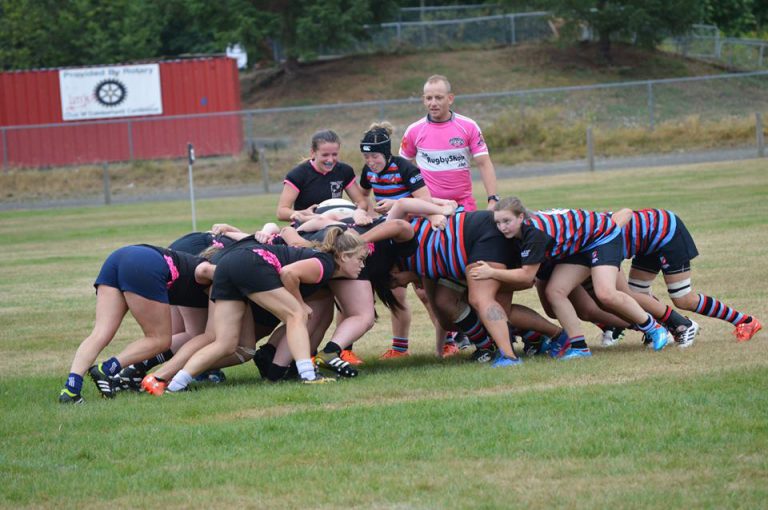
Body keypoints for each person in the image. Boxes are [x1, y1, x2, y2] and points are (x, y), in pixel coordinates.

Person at [148, 227, 369, 390]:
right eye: (360, 259)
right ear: (344, 256)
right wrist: (299, 303)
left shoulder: (322, 261)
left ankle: (173, 384)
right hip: (249, 261)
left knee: (226, 343)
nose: (362, 265)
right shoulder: (325, 263)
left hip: (225, 265)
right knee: (296, 315)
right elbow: (289, 274)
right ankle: (308, 376)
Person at [471, 197, 670, 360]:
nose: (502, 227)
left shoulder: (534, 234)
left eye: (507, 221)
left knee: (606, 293)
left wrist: (492, 272)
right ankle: (580, 347)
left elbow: (526, 276)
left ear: (521, 217)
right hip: (580, 246)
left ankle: (655, 328)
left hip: (602, 236)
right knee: (555, 292)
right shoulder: (522, 232)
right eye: (498, 223)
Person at [58, 244, 215, 404]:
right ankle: (106, 369)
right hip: (144, 264)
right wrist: (232, 275)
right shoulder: (205, 267)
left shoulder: (190, 274)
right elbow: (204, 270)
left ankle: (71, 390)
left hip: (118, 257)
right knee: (159, 340)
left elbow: (195, 334)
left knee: (100, 333)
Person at [358, 121, 462, 359]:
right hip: (388, 231)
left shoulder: (405, 168)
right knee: (394, 291)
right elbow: (363, 195)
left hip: (413, 231)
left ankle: (449, 342)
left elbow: (424, 202)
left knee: (426, 293)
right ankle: (399, 348)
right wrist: (364, 211)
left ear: (386, 153)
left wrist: (397, 205)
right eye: (366, 157)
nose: (370, 161)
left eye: (374, 156)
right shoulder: (368, 171)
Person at [614, 208, 761, 343]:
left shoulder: (601, 241)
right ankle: (669, 328)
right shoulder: (595, 235)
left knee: (683, 298)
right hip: (647, 240)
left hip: (667, 232)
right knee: (635, 293)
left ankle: (745, 321)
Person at [400, 74, 499, 212]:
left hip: (463, 206)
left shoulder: (469, 126)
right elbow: (402, 168)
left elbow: (484, 163)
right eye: (429, 98)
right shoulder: (413, 130)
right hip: (428, 206)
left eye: (439, 97)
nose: (433, 103)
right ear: (424, 100)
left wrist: (493, 199)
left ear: (450, 98)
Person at [277, 129, 370, 227]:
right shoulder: (298, 174)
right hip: (307, 226)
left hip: (336, 224)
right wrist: (304, 213)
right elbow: (281, 212)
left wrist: (357, 212)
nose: (330, 160)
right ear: (313, 152)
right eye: (325, 155)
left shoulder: (344, 171)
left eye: (334, 154)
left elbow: (361, 202)